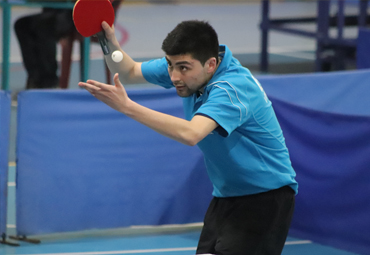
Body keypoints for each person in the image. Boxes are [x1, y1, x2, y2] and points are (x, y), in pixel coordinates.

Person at [79, 20, 298, 255]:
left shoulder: (232, 88)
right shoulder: (190, 66)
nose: (174, 76)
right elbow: (129, 71)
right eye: (170, 65)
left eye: (182, 68)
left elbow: (191, 133)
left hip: (265, 198)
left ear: (211, 65)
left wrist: (127, 107)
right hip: (227, 195)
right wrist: (108, 42)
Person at [14, 6, 75, 89]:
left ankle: (50, 81)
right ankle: (35, 78)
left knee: (45, 27)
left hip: (73, 14)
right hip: (51, 12)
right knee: (21, 25)